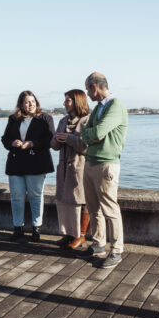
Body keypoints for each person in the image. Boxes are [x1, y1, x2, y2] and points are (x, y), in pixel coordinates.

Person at [79, 72, 128, 269]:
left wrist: (92, 135)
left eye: (87, 89)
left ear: (94, 87)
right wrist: (92, 135)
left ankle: (116, 250)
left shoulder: (115, 106)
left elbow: (97, 132)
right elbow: (86, 135)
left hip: (107, 163)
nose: (87, 94)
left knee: (110, 209)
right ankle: (99, 243)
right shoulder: (99, 108)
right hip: (90, 162)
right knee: (93, 208)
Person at [1, 91, 55, 242]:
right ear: (21, 104)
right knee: (16, 197)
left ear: (36, 102)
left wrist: (31, 143)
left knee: (36, 196)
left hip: (37, 163)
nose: (30, 104)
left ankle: (36, 228)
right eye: (26, 102)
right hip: (16, 163)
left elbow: (50, 139)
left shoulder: (46, 118)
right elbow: (5, 139)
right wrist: (12, 142)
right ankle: (18, 228)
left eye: (32, 101)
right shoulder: (13, 119)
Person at [50, 89, 90, 249]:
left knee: (80, 201)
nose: (64, 103)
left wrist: (69, 138)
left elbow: (87, 146)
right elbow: (53, 146)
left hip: (80, 167)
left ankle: (81, 235)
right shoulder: (63, 121)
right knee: (64, 200)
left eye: (67, 100)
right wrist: (57, 139)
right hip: (64, 169)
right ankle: (68, 233)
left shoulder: (87, 120)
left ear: (77, 101)